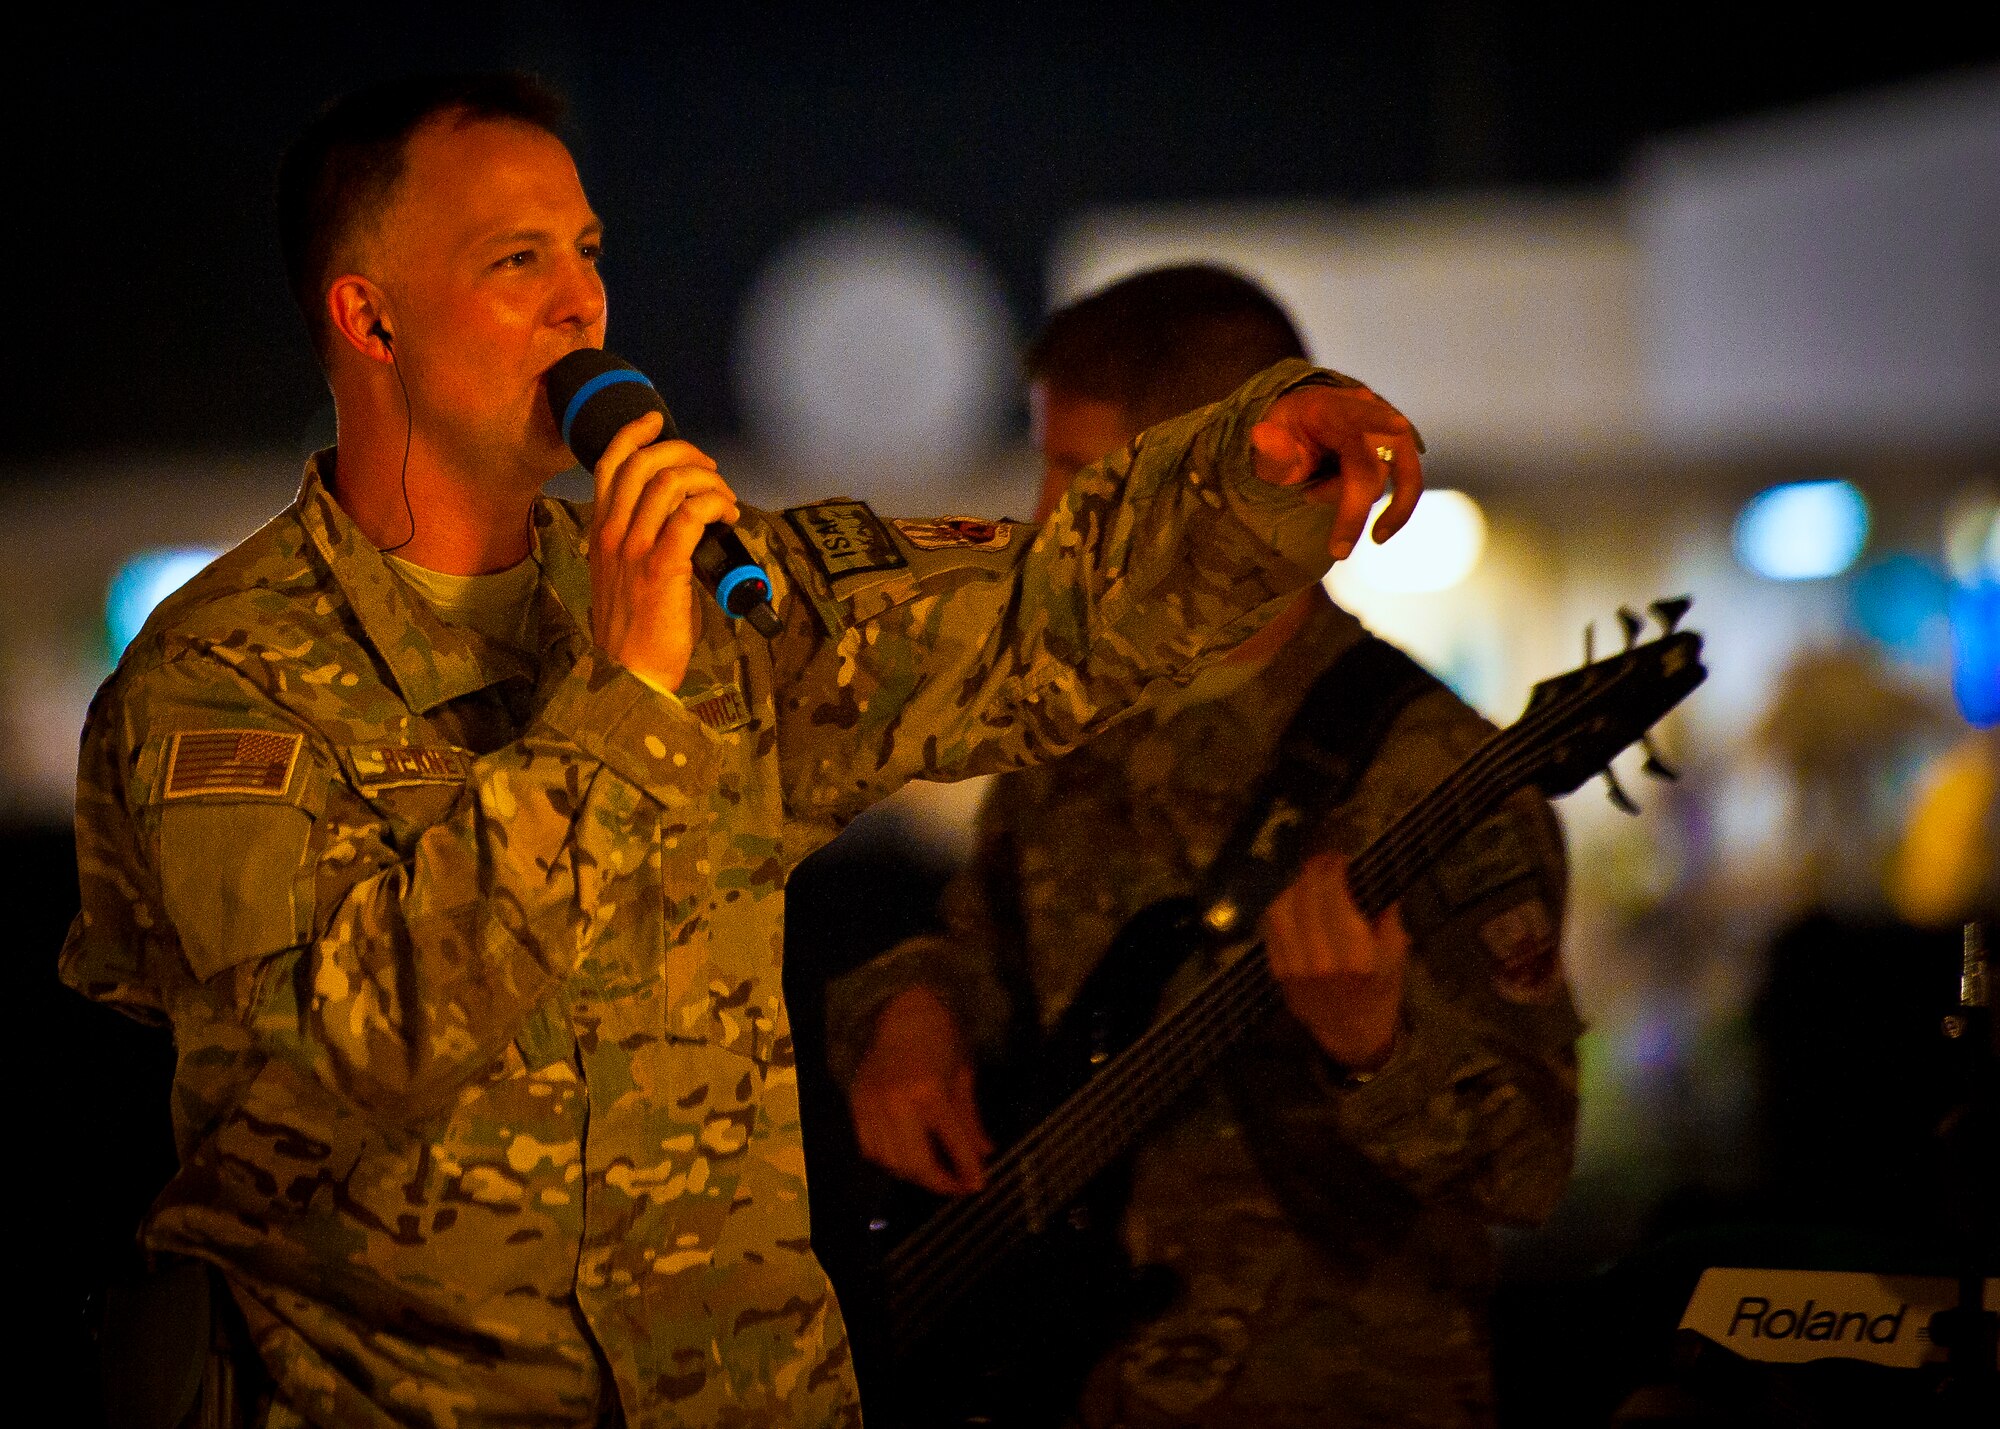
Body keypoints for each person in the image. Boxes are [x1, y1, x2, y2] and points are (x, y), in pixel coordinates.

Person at [57, 80, 1424, 1429]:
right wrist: (623, 703)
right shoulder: (220, 682)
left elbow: (1028, 623)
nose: (581, 304)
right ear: (371, 316)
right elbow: (327, 1062)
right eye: (515, 261)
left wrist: (1252, 477)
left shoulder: (712, 597)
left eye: (587, 254)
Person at [829, 266, 1581, 1428]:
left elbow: (1527, 1164)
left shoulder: (1425, 764)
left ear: (1222, 477)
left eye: (1081, 476)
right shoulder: (1076, 725)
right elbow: (982, 955)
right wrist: (904, 1012)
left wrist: (1377, 1047)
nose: (1048, 518)